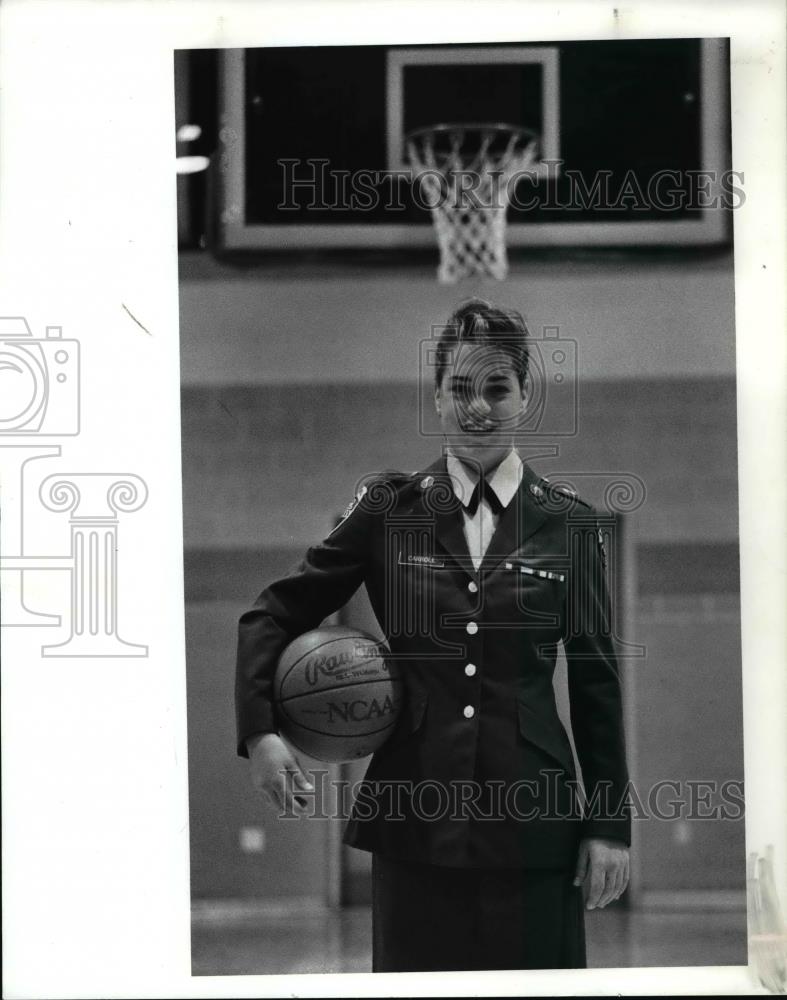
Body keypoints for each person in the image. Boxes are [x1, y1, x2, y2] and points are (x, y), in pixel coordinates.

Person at [235, 298, 631, 972]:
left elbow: (596, 688)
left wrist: (609, 827)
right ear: (437, 399)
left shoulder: (571, 526)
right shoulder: (388, 511)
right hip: (412, 821)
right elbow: (273, 612)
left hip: (535, 823)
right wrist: (261, 731)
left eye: (496, 388)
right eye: (459, 388)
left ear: (524, 397)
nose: (478, 406)